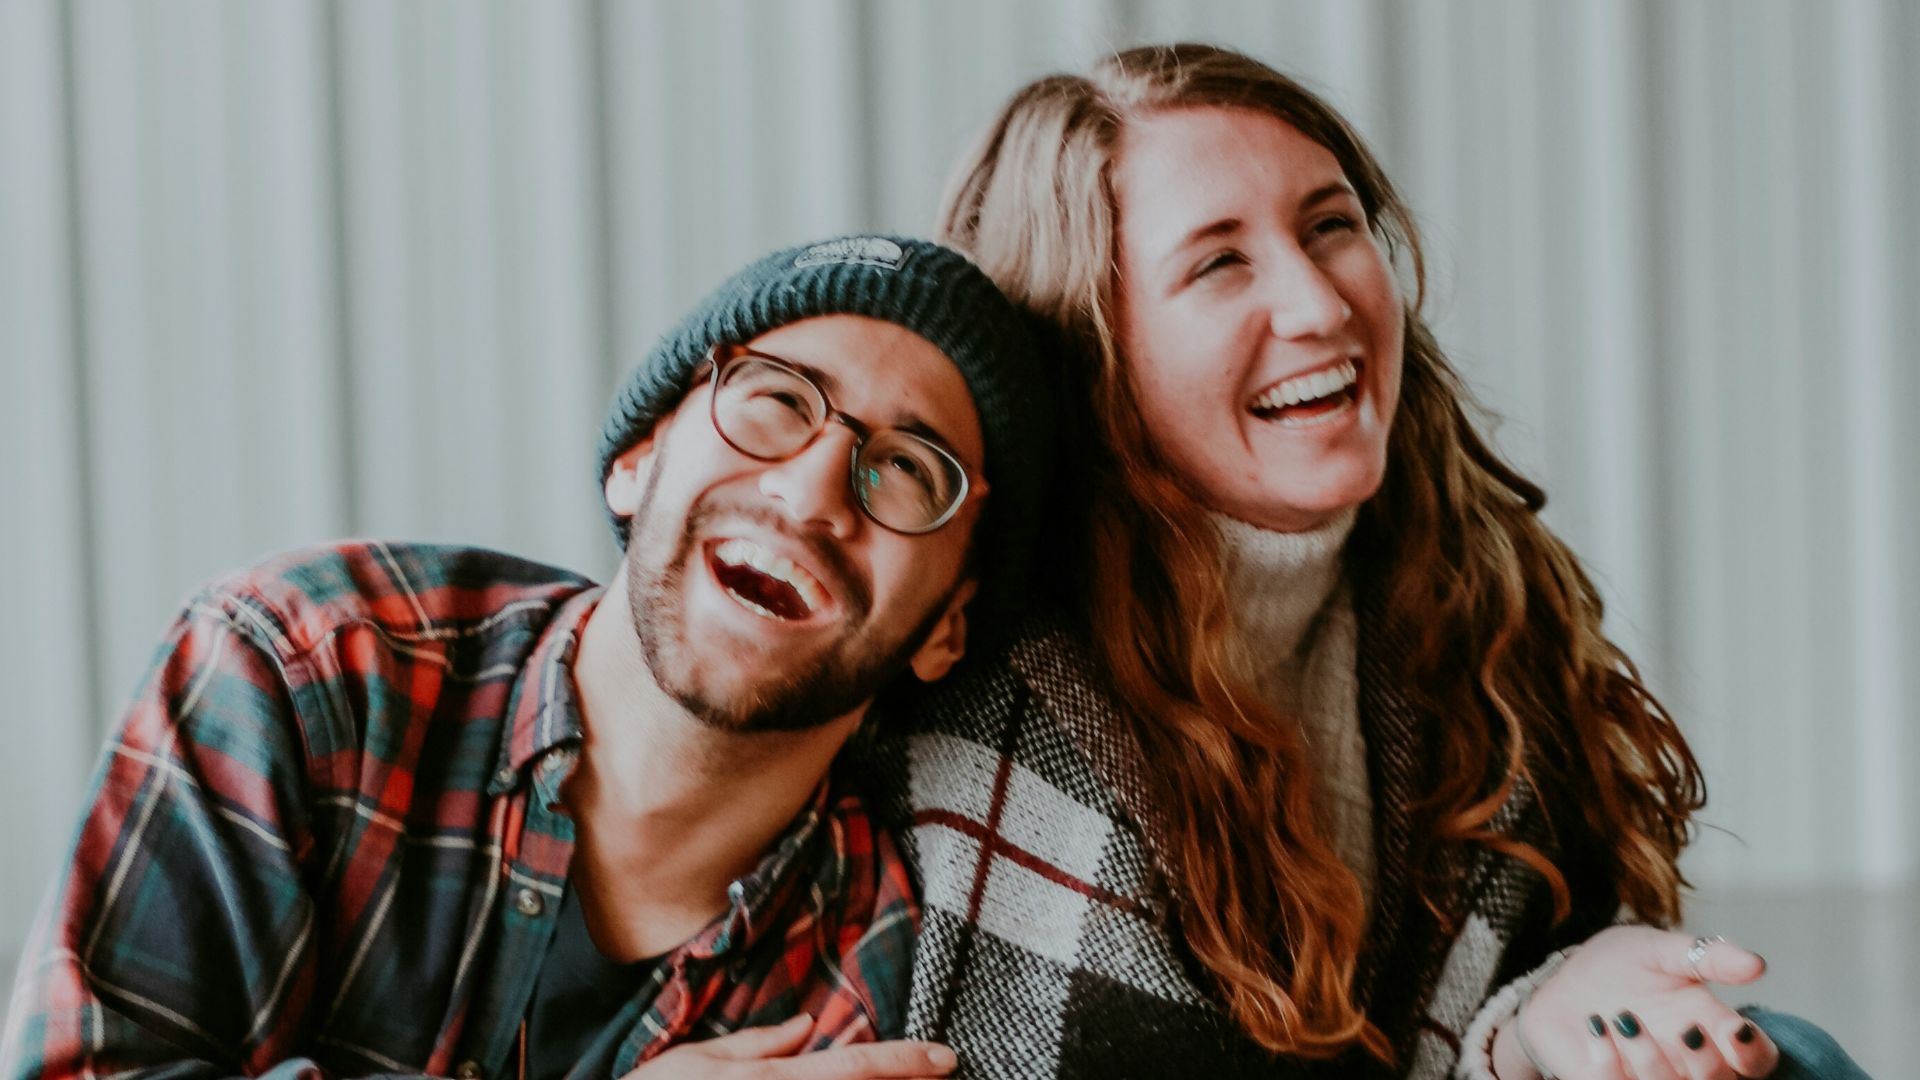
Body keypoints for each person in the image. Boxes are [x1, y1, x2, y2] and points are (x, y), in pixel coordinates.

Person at [866, 44, 1872, 1080]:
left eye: (1331, 227)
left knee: (1788, 1061)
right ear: (1089, 343)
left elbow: (1541, 967)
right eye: (1219, 262)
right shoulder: (980, 687)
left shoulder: (1469, 597)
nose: (1319, 306)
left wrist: (1547, 1012)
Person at [0, 236, 1053, 1080]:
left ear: (949, 625)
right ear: (639, 461)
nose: (814, 489)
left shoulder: (866, 987)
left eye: (910, 471)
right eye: (776, 399)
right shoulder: (305, 672)